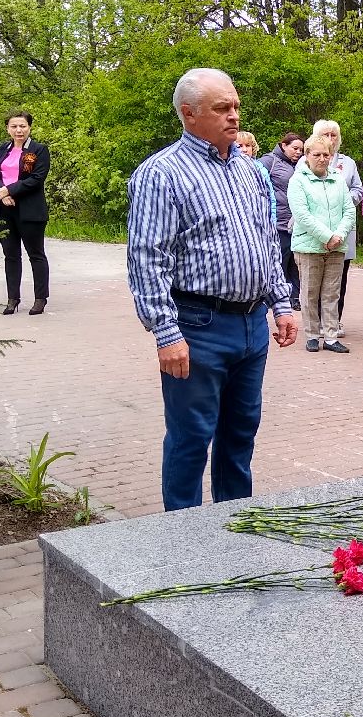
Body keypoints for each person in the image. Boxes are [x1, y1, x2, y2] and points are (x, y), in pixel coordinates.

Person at [126, 67, 298, 512]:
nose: (234, 116)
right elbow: (148, 258)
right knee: (191, 437)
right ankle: (182, 539)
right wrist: (166, 333)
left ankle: (232, 526)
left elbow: (265, 242)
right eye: (223, 108)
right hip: (197, 326)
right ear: (189, 114)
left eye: (236, 105)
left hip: (251, 325)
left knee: (241, 432)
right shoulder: (161, 174)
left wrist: (281, 302)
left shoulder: (250, 172)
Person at [289, 134, 355, 354]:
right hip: (309, 247)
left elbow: (349, 210)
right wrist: (327, 236)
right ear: (307, 156)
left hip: (336, 247)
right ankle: (311, 335)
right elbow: (302, 214)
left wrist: (338, 235)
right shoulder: (298, 180)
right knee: (309, 293)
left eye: (326, 154)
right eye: (316, 154)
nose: (322, 158)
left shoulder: (338, 179)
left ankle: (331, 336)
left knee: (331, 294)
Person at [0, 110, 50, 316]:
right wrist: (1, 192)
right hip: (5, 209)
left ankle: (40, 298)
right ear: (8, 128)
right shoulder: (2, 149)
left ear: (29, 127)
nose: (18, 130)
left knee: (36, 254)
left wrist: (10, 189)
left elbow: (36, 178)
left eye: (22, 126)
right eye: (14, 126)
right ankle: (12, 298)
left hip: (30, 211)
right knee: (11, 255)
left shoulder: (38, 150)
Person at [308, 120, 363, 336]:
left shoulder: (348, 163)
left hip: (342, 229)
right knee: (315, 281)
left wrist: (341, 200)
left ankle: (334, 321)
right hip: (316, 231)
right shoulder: (307, 161)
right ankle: (315, 324)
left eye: (333, 135)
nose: (330, 139)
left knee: (338, 279)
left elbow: (358, 190)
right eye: (325, 134)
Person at [260, 132, 304, 310]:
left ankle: (295, 297)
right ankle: (280, 298)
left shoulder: (300, 165)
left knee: (296, 264)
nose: (298, 152)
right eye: (295, 148)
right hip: (278, 222)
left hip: (297, 223)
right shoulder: (269, 161)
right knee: (281, 261)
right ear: (283, 146)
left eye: (301, 150)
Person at [236, 130, 277, 227]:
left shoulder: (261, 169)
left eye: (248, 145)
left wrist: (272, 220)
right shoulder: (229, 168)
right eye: (240, 146)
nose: (244, 150)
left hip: (262, 219)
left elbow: (270, 196)